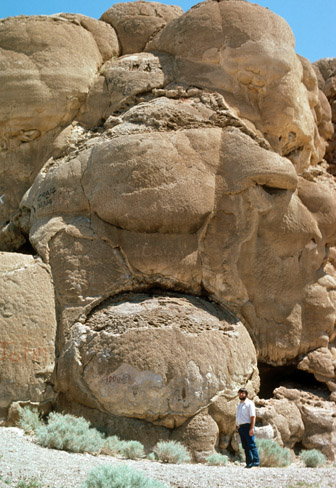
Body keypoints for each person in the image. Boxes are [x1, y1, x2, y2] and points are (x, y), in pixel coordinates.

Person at [236, 387, 260, 468]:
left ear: (246, 394)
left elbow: (253, 417)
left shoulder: (250, 403)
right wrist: (237, 427)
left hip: (248, 426)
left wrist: (251, 428)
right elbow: (238, 417)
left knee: (251, 445)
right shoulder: (239, 405)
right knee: (245, 446)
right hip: (241, 427)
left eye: (243, 393)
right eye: (240, 393)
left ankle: (256, 462)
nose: (241, 394)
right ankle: (249, 463)